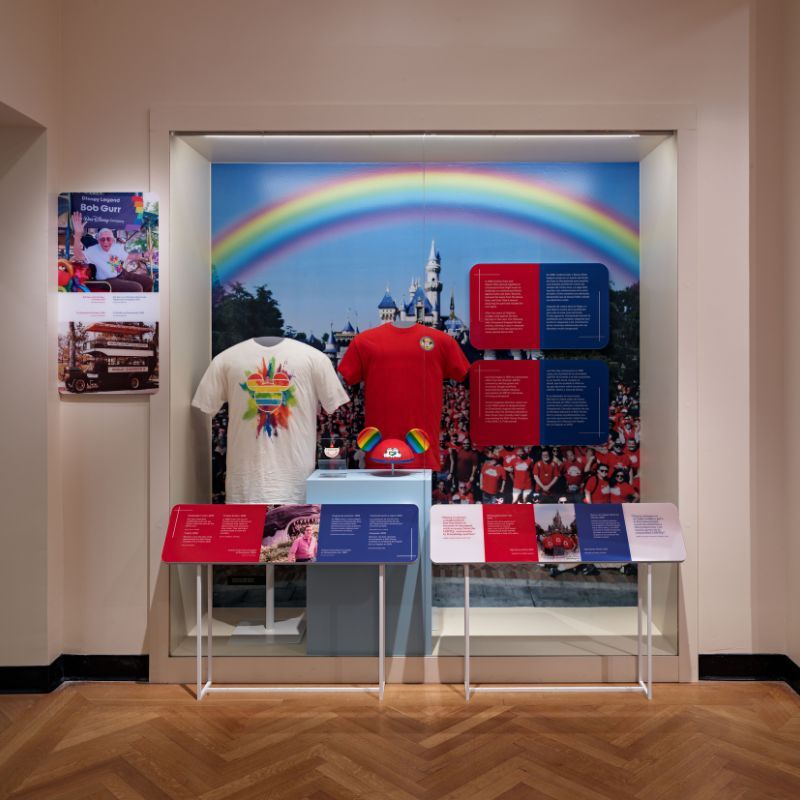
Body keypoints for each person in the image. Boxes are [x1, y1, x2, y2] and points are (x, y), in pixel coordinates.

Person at [71, 212, 154, 292]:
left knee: (148, 281)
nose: (105, 242)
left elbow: (129, 256)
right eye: (102, 239)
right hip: (108, 280)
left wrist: (144, 254)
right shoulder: (93, 250)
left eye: (108, 239)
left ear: (113, 240)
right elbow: (78, 256)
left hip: (122, 273)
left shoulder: (117, 247)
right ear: (98, 240)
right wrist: (78, 235)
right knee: (137, 288)